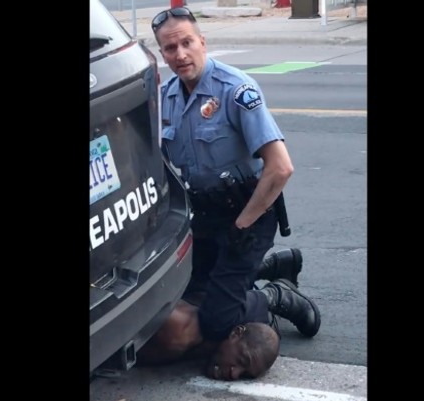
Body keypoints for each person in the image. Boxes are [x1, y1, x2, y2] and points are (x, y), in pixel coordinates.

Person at [137, 7, 322, 379]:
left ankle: (275, 295)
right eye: (169, 48)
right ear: (162, 52)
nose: (180, 55)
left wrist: (243, 224)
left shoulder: (236, 90)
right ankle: (268, 265)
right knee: (184, 297)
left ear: (202, 42)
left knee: (217, 320)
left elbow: (281, 167)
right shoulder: (167, 97)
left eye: (187, 43)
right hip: (203, 219)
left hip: (248, 216)